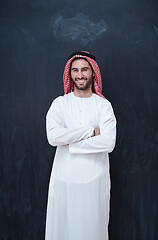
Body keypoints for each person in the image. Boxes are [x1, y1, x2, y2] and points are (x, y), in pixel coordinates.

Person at [45, 51, 116, 240]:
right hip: (64, 180)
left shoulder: (104, 106)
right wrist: (90, 132)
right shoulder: (59, 104)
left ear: (93, 73)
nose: (80, 75)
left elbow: (109, 142)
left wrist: (72, 145)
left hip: (95, 183)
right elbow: (53, 137)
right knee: (63, 231)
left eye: (84, 69)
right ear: (70, 74)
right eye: (75, 70)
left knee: (92, 232)